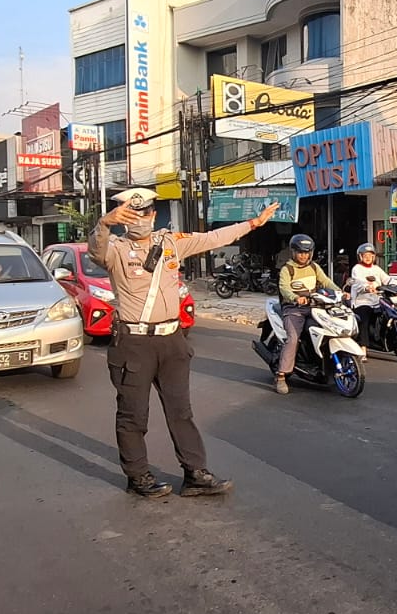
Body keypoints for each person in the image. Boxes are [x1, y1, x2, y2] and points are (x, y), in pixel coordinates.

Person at [90, 187, 280, 499]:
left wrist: (253, 223)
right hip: (134, 343)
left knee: (181, 412)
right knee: (133, 414)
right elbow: (96, 251)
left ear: (153, 214)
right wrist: (104, 224)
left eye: (144, 213)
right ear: (122, 218)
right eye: (131, 215)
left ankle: (195, 474)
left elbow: (213, 238)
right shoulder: (116, 249)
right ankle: (138, 476)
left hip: (172, 342)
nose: (139, 219)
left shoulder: (171, 243)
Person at [274, 234, 336, 394]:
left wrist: (340, 292)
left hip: (315, 307)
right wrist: (295, 298)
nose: (303, 256)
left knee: (329, 330)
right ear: (293, 252)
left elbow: (326, 282)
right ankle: (281, 375)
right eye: (300, 252)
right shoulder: (287, 269)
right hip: (293, 309)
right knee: (293, 338)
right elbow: (284, 288)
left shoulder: (314, 267)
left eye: (307, 252)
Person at [347, 241, 388, 347]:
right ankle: (363, 347)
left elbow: (387, 279)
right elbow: (358, 282)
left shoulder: (376, 269)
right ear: (360, 257)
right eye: (365, 255)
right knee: (364, 320)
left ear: (374, 257)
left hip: (377, 301)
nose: (368, 258)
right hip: (362, 301)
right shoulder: (357, 268)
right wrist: (367, 287)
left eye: (370, 255)